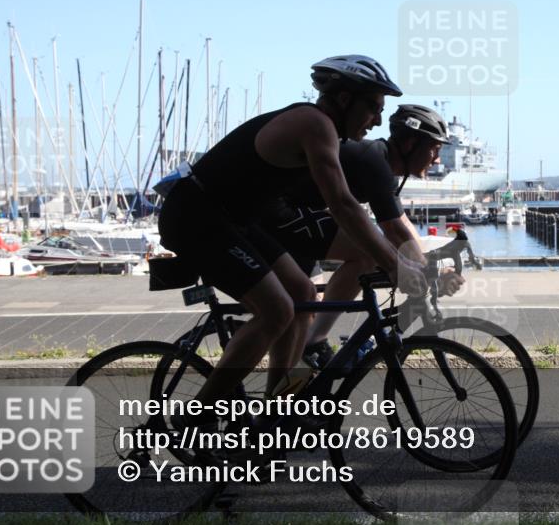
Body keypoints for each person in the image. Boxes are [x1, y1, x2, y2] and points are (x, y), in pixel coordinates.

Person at [157, 55, 425, 415]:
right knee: (276, 310)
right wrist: (394, 264)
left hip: (236, 220)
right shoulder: (313, 124)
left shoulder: (324, 129)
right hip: (197, 216)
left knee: (300, 294)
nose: (377, 120)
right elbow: (344, 207)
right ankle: (201, 417)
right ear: (345, 100)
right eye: (373, 108)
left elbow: (350, 213)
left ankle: (276, 411)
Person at [255, 104, 465, 368]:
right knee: (366, 252)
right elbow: (393, 231)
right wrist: (426, 269)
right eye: (435, 149)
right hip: (277, 214)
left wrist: (426, 264)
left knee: (304, 310)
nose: (436, 159)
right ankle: (313, 341)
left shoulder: (379, 162)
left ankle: (287, 390)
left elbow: (401, 225)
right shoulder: (374, 162)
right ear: (411, 143)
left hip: (293, 217)